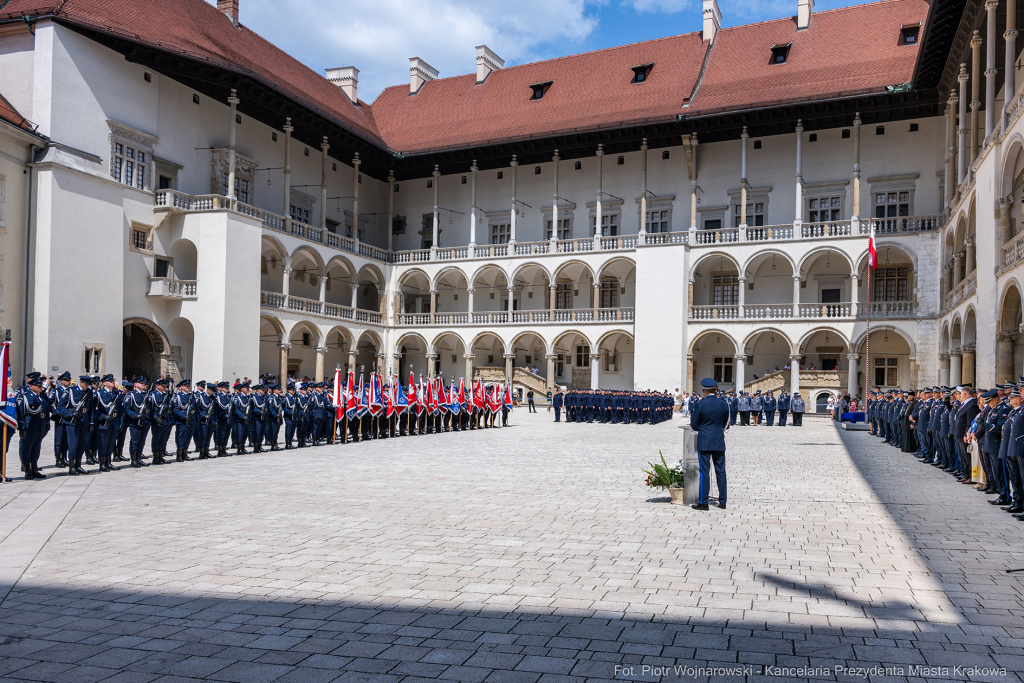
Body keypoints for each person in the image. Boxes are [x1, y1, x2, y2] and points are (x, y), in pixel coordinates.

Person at [690, 378, 729, 511]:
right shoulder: (724, 404)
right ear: (716, 389)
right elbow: (726, 423)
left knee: (704, 472)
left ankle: (703, 502)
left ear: (703, 391)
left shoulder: (701, 404)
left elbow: (694, 425)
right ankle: (723, 501)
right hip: (718, 440)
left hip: (704, 441)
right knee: (721, 472)